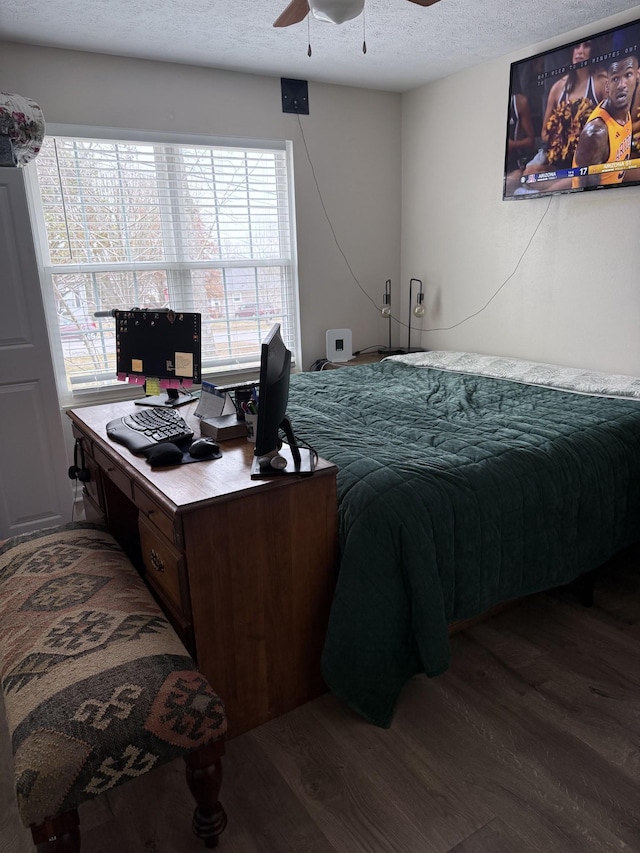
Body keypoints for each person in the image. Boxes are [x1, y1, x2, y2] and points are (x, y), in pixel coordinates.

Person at [572, 54, 639, 187]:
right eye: (615, 79)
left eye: (628, 75)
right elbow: (587, 194)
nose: (622, 85)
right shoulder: (597, 134)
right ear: (607, 86)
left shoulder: (623, 109)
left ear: (637, 76)